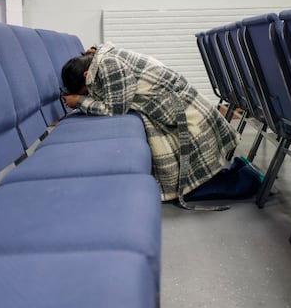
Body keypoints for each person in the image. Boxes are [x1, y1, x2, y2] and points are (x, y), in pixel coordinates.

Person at [61, 43, 263, 210]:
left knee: (188, 189)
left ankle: (250, 180)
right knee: (193, 179)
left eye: (86, 90)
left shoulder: (109, 65)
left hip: (187, 115)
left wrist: (79, 101)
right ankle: (242, 171)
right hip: (178, 111)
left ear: (87, 73)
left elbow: (115, 108)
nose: (90, 93)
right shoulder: (104, 60)